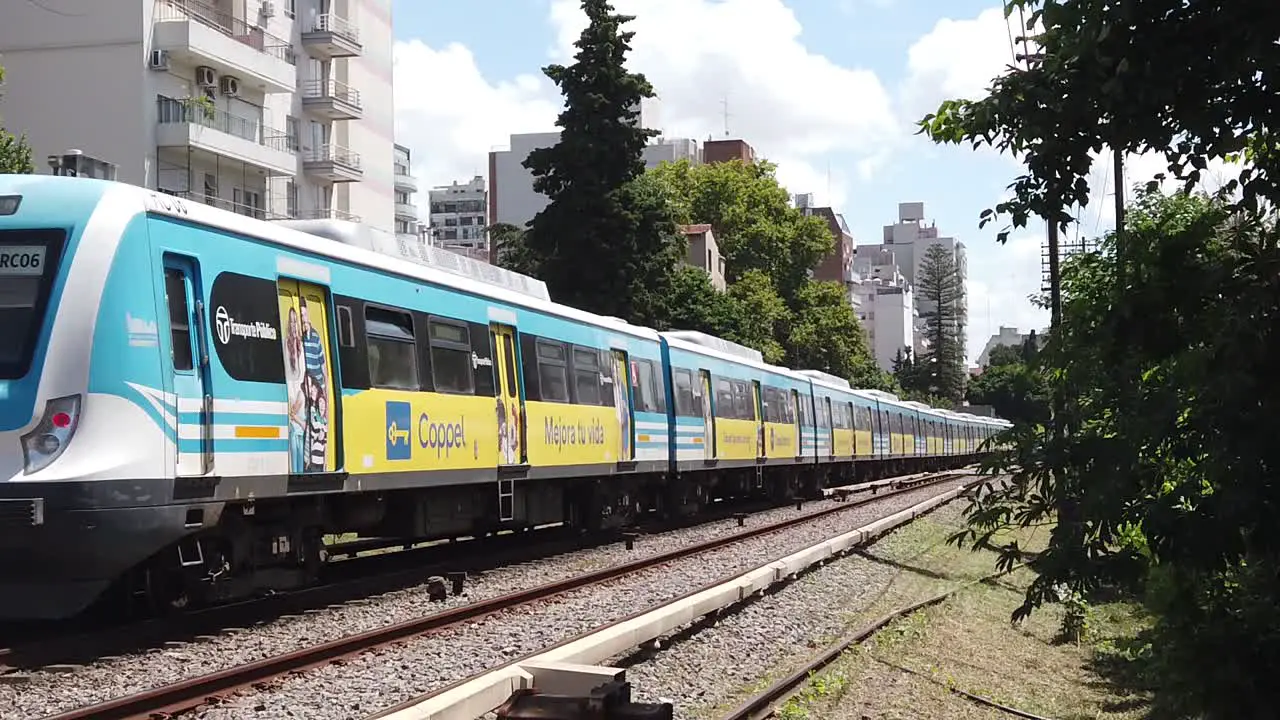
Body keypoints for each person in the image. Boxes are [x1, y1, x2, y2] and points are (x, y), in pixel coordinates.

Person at [283, 306, 306, 474]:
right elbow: (287, 372)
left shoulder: (301, 345)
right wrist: (292, 400)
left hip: (300, 394)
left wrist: (300, 396)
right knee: (293, 434)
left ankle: (300, 470)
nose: (293, 325)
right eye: (291, 321)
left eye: (295, 321)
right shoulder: (286, 344)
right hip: (290, 395)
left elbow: (303, 372)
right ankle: (295, 472)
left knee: (300, 435)